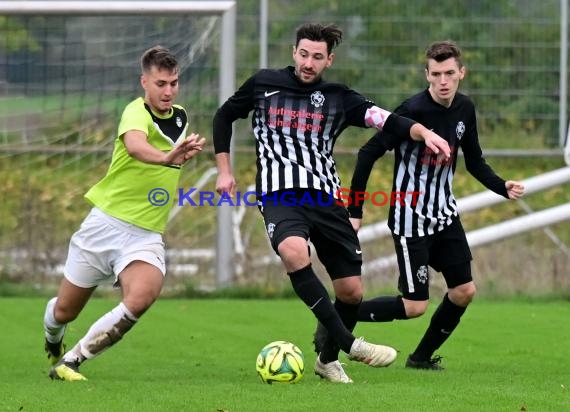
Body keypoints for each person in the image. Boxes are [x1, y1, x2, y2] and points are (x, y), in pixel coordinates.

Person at [213, 23, 451, 384]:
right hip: (280, 194)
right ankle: (350, 344)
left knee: (351, 292)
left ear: (329, 60)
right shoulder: (264, 83)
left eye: (318, 57)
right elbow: (223, 116)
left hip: (326, 197)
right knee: (294, 252)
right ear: (294, 53)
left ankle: (327, 361)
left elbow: (385, 120)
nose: (309, 63)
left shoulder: (339, 97)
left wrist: (424, 132)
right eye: (304, 54)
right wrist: (224, 171)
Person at [314, 40, 525, 370]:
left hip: (445, 216)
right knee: (415, 305)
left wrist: (502, 186)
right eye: (436, 74)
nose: (443, 80)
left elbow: (475, 161)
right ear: (426, 75)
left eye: (449, 73)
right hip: (410, 219)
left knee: (464, 291)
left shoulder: (465, 110)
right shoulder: (411, 112)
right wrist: (355, 210)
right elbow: (367, 153)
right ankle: (336, 321)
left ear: (461, 74)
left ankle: (421, 358)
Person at [43, 45, 206, 381]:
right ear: (144, 82)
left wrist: (177, 155)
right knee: (64, 311)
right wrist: (166, 157)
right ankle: (53, 336)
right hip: (104, 225)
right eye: (161, 83)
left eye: (174, 83)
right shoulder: (135, 112)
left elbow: (168, 153)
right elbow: (135, 145)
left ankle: (72, 361)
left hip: (144, 234)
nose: (168, 91)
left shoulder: (181, 116)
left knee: (143, 295)